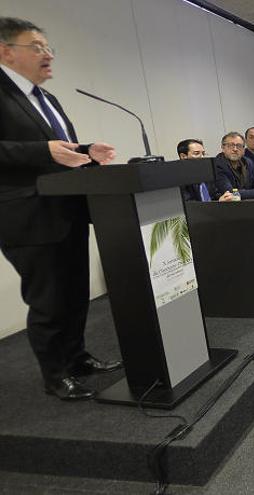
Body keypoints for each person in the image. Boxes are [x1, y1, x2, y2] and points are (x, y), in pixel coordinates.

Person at [0, 17, 120, 400]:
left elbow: (56, 152)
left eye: (49, 47)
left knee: (74, 292)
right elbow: (34, 152)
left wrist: (86, 152)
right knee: (49, 299)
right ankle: (55, 375)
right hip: (28, 215)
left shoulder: (46, 98)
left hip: (66, 209)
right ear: (6, 51)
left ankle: (77, 357)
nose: (48, 54)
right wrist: (43, 151)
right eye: (37, 47)